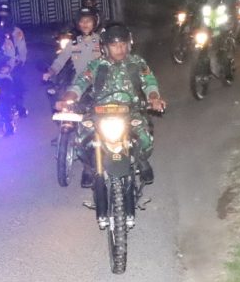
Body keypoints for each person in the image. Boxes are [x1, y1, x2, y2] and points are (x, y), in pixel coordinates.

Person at [55, 23, 166, 195]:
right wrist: (68, 98)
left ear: (129, 44)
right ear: (105, 47)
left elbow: (149, 81)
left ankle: (141, 160)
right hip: (99, 111)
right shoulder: (96, 65)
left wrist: (153, 98)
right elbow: (81, 82)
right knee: (82, 139)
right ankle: (89, 168)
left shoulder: (137, 63)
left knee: (144, 138)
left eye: (123, 44)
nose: (120, 49)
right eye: (114, 45)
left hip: (131, 110)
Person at [43, 7, 102, 87]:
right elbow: (61, 60)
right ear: (78, 23)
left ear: (94, 23)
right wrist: (51, 71)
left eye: (88, 21)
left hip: (100, 85)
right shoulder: (73, 42)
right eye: (82, 21)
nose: (85, 24)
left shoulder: (101, 41)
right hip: (79, 84)